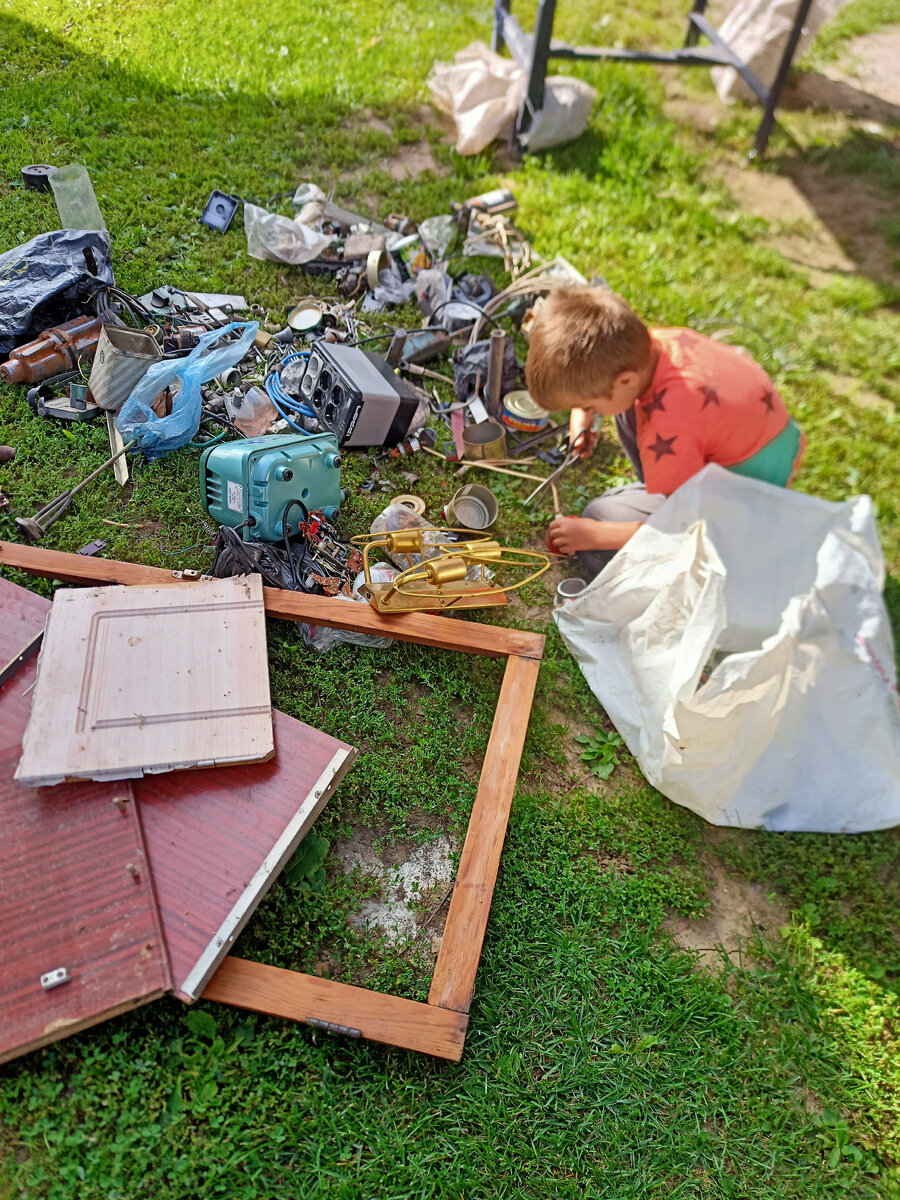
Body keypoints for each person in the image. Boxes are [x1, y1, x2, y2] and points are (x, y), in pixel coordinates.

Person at [525, 286, 806, 575]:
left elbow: (684, 528)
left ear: (624, 381)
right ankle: (667, 489)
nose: (588, 412)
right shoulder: (651, 344)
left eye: (589, 405)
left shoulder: (670, 425)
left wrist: (594, 535)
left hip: (745, 507)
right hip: (771, 452)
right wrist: (582, 419)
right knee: (627, 414)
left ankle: (671, 503)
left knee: (599, 523)